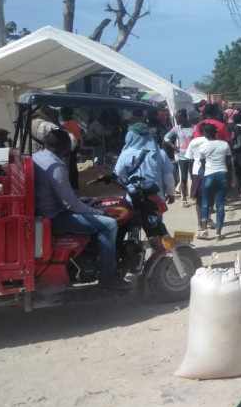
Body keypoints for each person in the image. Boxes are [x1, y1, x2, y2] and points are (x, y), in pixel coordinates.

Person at [33, 129, 129, 289]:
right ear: (64, 149)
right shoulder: (56, 167)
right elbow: (70, 203)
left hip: (43, 209)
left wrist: (91, 205)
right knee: (109, 224)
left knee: (92, 201)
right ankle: (108, 275)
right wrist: (98, 212)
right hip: (55, 216)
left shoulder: (37, 157)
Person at [114, 122, 176, 229]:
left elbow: (119, 175)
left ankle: (133, 240)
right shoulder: (160, 153)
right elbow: (168, 176)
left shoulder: (125, 153)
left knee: (133, 224)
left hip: (133, 196)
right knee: (156, 227)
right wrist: (171, 193)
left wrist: (127, 186)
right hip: (156, 197)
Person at [195, 122, 232, 241]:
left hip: (209, 175)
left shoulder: (203, 146)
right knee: (220, 204)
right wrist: (230, 178)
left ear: (205, 134)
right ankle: (218, 232)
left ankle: (204, 229)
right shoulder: (225, 145)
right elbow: (228, 162)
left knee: (205, 202)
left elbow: (203, 163)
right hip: (222, 174)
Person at [164, 109, 196, 208]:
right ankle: (184, 199)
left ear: (184, 118)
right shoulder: (176, 128)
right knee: (184, 177)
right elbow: (166, 137)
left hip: (193, 156)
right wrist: (174, 147)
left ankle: (194, 195)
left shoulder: (194, 128)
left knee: (194, 176)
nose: (176, 120)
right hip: (182, 156)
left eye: (178, 118)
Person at [60, 107, 82, 190]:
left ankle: (72, 186)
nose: (62, 116)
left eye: (62, 114)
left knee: (69, 167)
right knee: (72, 166)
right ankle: (74, 186)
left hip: (70, 147)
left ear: (66, 114)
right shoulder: (74, 123)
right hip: (74, 146)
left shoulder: (69, 124)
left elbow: (71, 137)